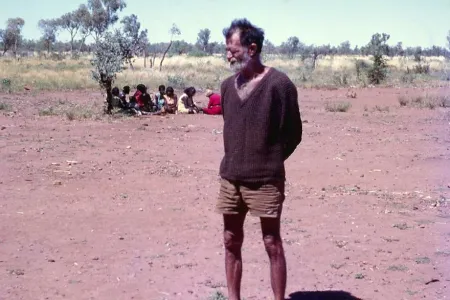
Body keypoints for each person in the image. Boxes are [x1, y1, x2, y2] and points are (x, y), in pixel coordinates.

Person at [216, 19, 302, 300]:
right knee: (230, 240)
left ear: (252, 48)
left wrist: (269, 159)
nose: (228, 55)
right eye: (227, 50)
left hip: (266, 180)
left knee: (271, 242)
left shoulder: (280, 85)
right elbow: (232, 126)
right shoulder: (227, 86)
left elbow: (293, 133)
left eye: (233, 50)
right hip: (231, 179)